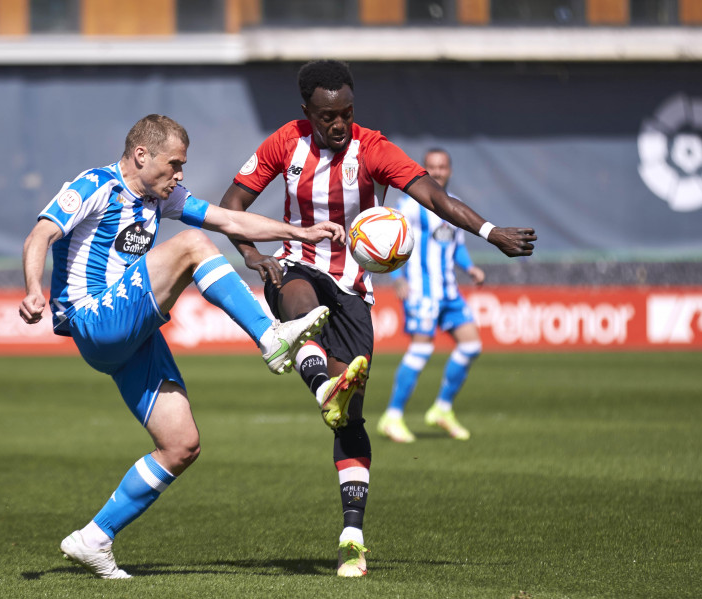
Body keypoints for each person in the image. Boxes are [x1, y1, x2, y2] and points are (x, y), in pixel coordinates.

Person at [219, 60, 536, 577]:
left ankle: (351, 538)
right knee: (301, 303)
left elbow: (431, 193)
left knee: (351, 421)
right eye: (327, 116)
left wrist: (489, 230)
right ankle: (324, 385)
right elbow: (232, 204)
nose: (339, 124)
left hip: (355, 289)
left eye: (346, 112)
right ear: (307, 113)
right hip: (295, 265)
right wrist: (253, 255)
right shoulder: (284, 142)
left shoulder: (374, 148)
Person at [19, 114, 345, 580]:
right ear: (140, 155)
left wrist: (300, 234)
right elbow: (41, 233)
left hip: (132, 336)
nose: (180, 174)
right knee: (192, 243)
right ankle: (270, 337)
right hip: (93, 317)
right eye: (174, 163)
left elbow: (229, 218)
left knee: (181, 445)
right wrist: (33, 287)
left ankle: (95, 538)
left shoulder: (160, 198)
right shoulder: (96, 185)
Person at [378, 149, 485, 444]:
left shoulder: (456, 206)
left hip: (449, 291)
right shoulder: (411, 205)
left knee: (472, 344)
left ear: (450, 170)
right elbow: (391, 242)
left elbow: (456, 244)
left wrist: (470, 267)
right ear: (424, 170)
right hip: (421, 291)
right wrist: (398, 279)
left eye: (442, 167)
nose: (437, 172)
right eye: (432, 167)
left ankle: (442, 408)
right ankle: (393, 416)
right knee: (421, 350)